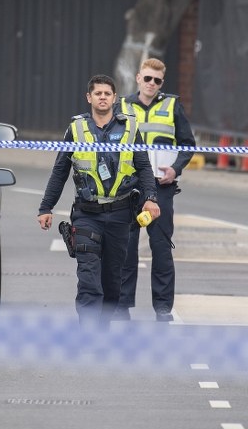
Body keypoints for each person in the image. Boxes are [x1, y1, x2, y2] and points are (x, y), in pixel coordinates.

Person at [37, 74, 161, 329]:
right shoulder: (76, 129)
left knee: (112, 280)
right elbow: (60, 170)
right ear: (89, 97)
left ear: (114, 98)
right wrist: (45, 207)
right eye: (98, 93)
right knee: (89, 277)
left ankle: (102, 329)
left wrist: (150, 198)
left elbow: (144, 167)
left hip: (119, 214)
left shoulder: (129, 128)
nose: (102, 97)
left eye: (107, 93)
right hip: (87, 214)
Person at [115, 58, 195, 322]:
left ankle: (162, 308)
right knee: (126, 247)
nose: (151, 84)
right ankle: (122, 304)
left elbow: (187, 144)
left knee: (161, 247)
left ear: (162, 82)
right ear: (138, 78)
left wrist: (176, 169)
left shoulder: (172, 105)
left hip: (162, 187)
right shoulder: (123, 105)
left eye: (157, 80)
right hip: (129, 185)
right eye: (147, 78)